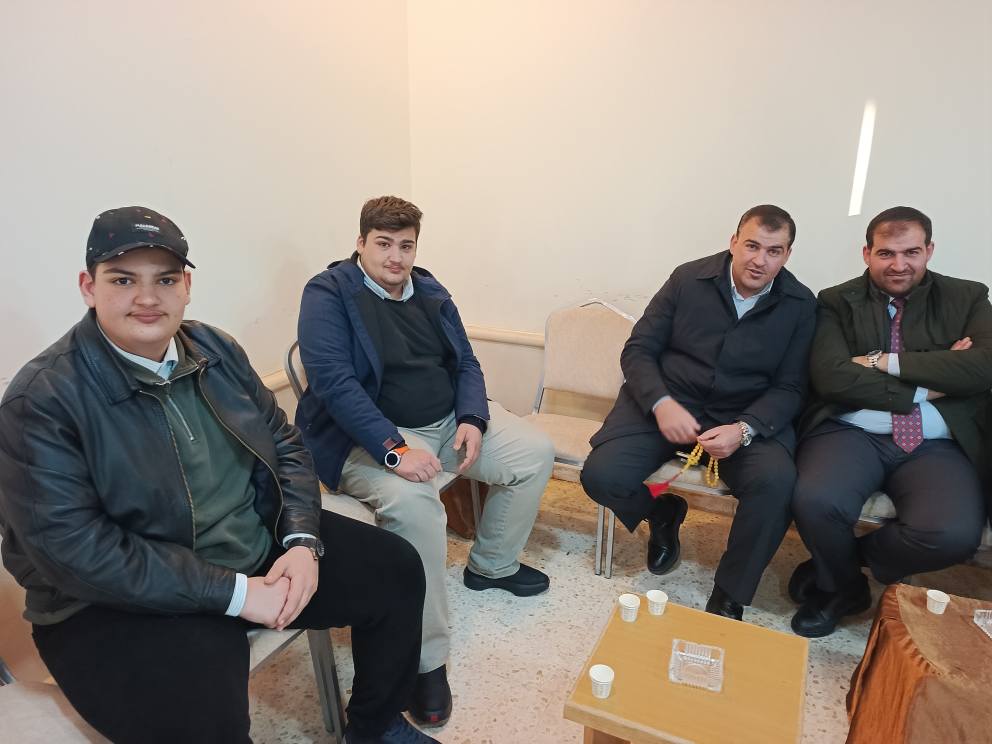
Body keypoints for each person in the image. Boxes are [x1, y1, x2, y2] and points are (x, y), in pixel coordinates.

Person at [0, 206, 437, 744]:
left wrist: (302, 540)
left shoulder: (216, 349)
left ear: (186, 286)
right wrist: (233, 593)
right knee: (204, 713)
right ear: (89, 287)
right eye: (123, 280)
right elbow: (73, 551)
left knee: (396, 568)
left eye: (165, 280)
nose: (147, 298)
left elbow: (285, 445)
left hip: (248, 547)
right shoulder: (41, 399)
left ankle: (375, 728)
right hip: (112, 600)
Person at [295, 196, 554, 727]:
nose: (396, 257)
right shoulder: (327, 294)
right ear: (361, 243)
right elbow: (335, 384)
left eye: (406, 246)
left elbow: (466, 363)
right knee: (414, 505)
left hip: (446, 422)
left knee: (534, 452)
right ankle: (424, 661)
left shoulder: (430, 290)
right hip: (373, 433)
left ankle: (491, 566)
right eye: (383, 244)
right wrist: (394, 449)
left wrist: (472, 417)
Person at [580, 205, 816, 621]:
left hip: (743, 415)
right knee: (602, 475)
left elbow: (792, 386)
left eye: (774, 251)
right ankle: (661, 512)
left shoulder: (800, 304)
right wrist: (661, 403)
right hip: (668, 403)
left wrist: (744, 429)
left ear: (788, 255)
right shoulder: (687, 279)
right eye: (752, 246)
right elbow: (638, 350)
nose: (760, 260)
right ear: (734, 242)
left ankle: (730, 593)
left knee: (776, 484)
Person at [789, 206, 992, 638]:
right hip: (851, 430)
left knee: (952, 535)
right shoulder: (835, 300)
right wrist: (936, 378)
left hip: (937, 443)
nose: (899, 265)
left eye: (910, 252)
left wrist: (882, 361)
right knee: (816, 501)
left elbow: (983, 368)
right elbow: (832, 377)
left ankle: (840, 561)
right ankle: (842, 589)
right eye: (886, 253)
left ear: (929, 250)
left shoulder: (968, 297)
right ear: (867, 253)